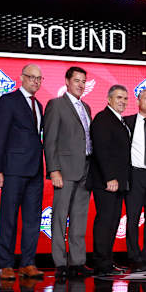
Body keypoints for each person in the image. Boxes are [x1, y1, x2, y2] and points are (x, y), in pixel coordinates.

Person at [0, 64, 45, 280]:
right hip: (13, 170)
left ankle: (28, 263)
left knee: (33, 220)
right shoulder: (8, 100)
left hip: (35, 171)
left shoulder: (39, 105)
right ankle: (5, 264)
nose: (35, 81)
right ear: (21, 78)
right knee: (9, 218)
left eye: (39, 79)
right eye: (31, 77)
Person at [43, 66, 93, 278]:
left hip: (85, 170)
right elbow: (50, 140)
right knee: (60, 218)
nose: (80, 85)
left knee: (80, 219)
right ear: (67, 81)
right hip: (64, 171)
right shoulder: (56, 105)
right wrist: (53, 170)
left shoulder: (87, 108)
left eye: (83, 81)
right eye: (77, 80)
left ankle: (77, 262)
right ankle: (60, 263)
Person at [86, 84, 131, 276]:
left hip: (119, 182)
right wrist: (110, 177)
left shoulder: (120, 121)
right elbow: (102, 151)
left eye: (125, 98)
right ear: (109, 99)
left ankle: (107, 260)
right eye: (119, 97)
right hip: (107, 182)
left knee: (112, 222)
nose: (122, 101)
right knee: (105, 221)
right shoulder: (103, 119)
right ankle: (100, 262)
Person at [123, 88, 146, 272]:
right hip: (135, 174)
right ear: (138, 101)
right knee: (133, 218)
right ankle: (133, 256)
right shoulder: (127, 122)